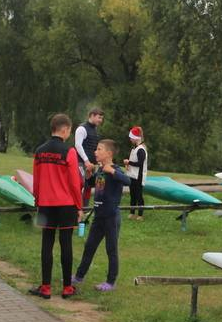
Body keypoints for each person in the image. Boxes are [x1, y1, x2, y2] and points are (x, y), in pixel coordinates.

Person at [32, 113, 83, 299]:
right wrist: (79, 206)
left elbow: (36, 182)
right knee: (66, 244)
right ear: (65, 129)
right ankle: (67, 288)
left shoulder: (39, 151)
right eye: (70, 130)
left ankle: (45, 287)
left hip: (45, 204)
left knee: (46, 244)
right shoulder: (69, 152)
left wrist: (37, 201)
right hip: (66, 205)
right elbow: (74, 182)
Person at [73, 139, 131, 292]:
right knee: (89, 247)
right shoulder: (100, 169)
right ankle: (79, 276)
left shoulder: (115, 169)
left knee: (111, 250)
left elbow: (127, 181)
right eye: (96, 149)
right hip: (98, 216)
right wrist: (89, 175)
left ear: (109, 153)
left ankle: (110, 282)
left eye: (99, 149)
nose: (95, 152)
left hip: (111, 217)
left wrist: (111, 171)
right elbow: (94, 184)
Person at [75, 107, 104, 206]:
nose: (101, 120)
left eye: (101, 118)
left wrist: (98, 161)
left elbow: (95, 148)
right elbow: (78, 145)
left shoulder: (95, 130)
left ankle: (85, 208)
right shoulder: (81, 128)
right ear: (92, 115)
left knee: (88, 186)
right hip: (81, 163)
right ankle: (76, 208)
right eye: (99, 117)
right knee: (79, 185)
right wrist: (86, 161)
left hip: (92, 164)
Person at [126, 126, 148, 220]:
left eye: (131, 137)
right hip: (132, 176)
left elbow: (139, 163)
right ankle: (132, 212)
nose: (130, 139)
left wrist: (129, 162)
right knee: (133, 195)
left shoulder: (141, 150)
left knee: (139, 196)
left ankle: (140, 214)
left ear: (136, 138)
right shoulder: (134, 148)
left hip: (138, 176)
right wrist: (129, 165)